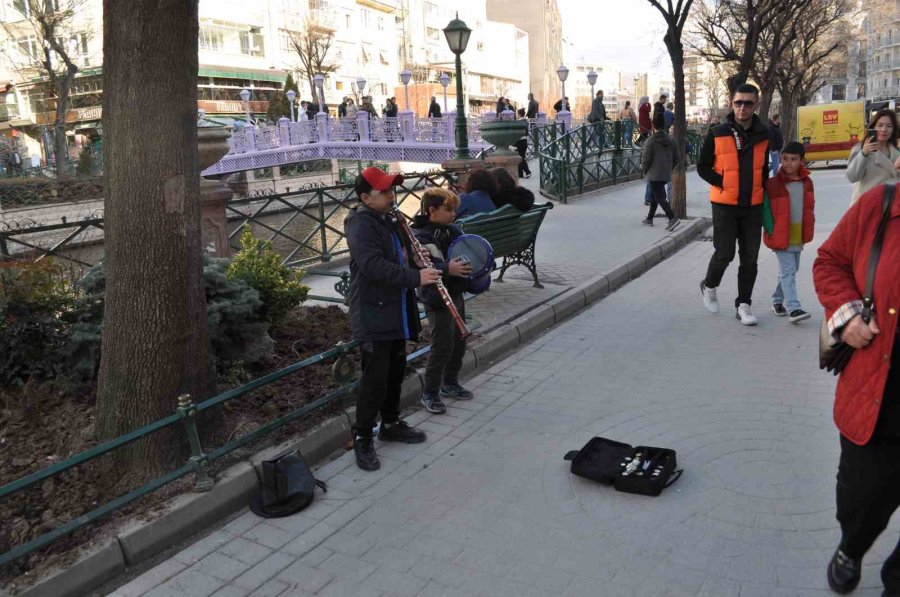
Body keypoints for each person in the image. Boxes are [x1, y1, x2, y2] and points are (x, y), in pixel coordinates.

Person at [812, 182, 900, 597]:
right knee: (860, 498)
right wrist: (847, 316)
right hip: (877, 397)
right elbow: (829, 261)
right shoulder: (880, 205)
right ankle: (853, 546)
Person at [343, 167, 438, 471]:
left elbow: (399, 256)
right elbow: (372, 266)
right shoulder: (361, 224)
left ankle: (391, 423)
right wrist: (415, 276)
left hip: (396, 308)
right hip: (373, 311)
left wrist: (415, 256)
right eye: (383, 191)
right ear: (364, 198)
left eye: (391, 190)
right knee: (375, 378)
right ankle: (362, 437)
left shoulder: (390, 220)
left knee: (396, 370)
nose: (390, 195)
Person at [697, 83, 771, 326]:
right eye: (738, 102)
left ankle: (744, 305)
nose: (742, 107)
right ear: (731, 103)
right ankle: (709, 285)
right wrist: (724, 183)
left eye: (748, 103)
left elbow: (764, 170)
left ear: (756, 105)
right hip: (725, 204)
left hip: (753, 205)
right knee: (725, 253)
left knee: (750, 259)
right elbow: (702, 167)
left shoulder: (765, 134)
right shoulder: (717, 132)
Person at [411, 188, 474, 415]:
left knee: (458, 342)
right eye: (448, 209)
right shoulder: (420, 236)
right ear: (432, 211)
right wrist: (449, 268)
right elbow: (422, 265)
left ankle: (450, 382)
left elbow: (468, 250)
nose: (453, 214)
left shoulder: (452, 230)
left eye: (454, 209)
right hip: (435, 298)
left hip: (454, 292)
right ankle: (430, 392)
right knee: (442, 345)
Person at [763, 141, 815, 323]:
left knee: (791, 270)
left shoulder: (807, 183)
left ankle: (777, 300)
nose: (788, 163)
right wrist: (770, 229)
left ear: (801, 160)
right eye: (785, 159)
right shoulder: (772, 184)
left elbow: (809, 208)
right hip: (780, 234)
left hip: (797, 235)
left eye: (793, 160)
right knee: (788, 270)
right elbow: (766, 210)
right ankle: (794, 308)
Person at [846, 108, 900, 204]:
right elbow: (852, 177)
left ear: (893, 129)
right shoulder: (860, 150)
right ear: (873, 127)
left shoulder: (896, 153)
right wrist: (864, 153)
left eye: (889, 126)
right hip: (866, 206)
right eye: (880, 125)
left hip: (891, 208)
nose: (884, 129)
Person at [641, 113, 680, 231]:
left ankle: (672, 218)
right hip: (666, 173)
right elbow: (677, 158)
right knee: (654, 195)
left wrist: (645, 171)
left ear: (653, 125)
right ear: (664, 125)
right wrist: (669, 168)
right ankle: (649, 218)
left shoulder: (651, 140)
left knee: (660, 197)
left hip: (654, 173)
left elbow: (646, 158)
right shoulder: (672, 140)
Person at [515, 108, 532, 179]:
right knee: (521, 157)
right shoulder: (525, 121)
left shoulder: (518, 122)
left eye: (517, 114)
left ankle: (527, 172)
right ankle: (520, 174)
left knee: (520, 158)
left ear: (519, 114)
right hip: (524, 141)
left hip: (519, 141)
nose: (516, 115)